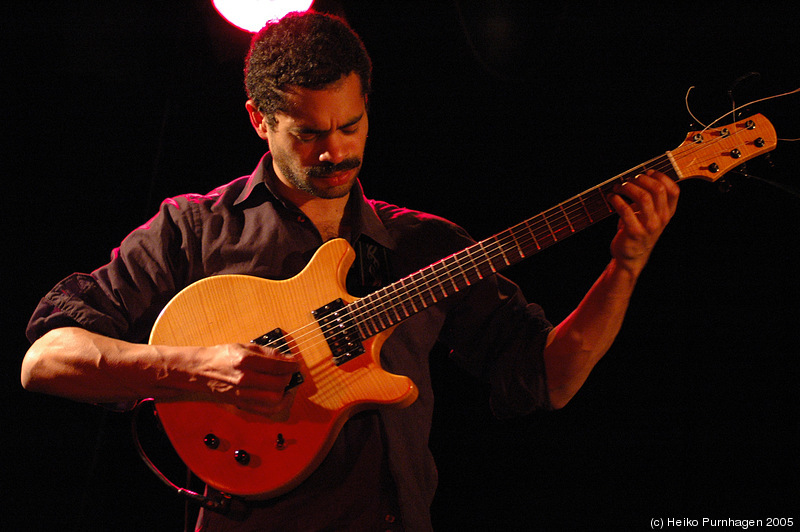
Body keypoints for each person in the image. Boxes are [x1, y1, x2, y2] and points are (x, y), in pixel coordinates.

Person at [21, 11, 679, 532]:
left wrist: (624, 267)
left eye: (351, 125)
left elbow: (549, 379)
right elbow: (45, 360)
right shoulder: (191, 229)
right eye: (308, 133)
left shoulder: (427, 244)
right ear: (259, 120)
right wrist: (195, 367)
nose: (335, 150)